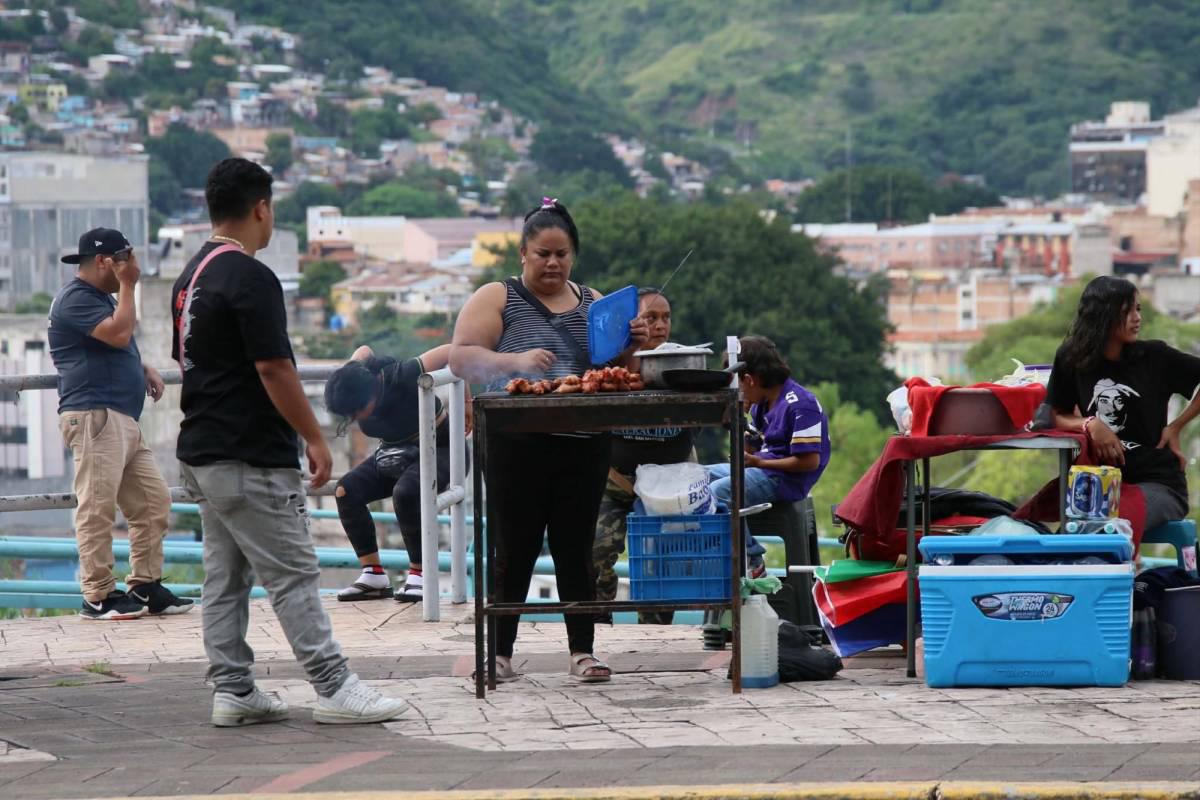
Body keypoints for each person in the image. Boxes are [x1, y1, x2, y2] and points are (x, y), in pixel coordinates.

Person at [173, 157, 406, 727]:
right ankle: (333, 686)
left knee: (224, 577)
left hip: (201, 450)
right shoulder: (251, 276)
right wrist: (315, 437)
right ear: (261, 208)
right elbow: (275, 369)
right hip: (248, 453)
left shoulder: (190, 277)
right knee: (295, 572)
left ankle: (233, 689)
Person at [450, 197, 647, 684]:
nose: (553, 263)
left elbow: (615, 372)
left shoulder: (594, 301)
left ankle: (582, 650)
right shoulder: (498, 297)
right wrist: (512, 363)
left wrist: (633, 344)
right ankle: (499, 653)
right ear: (523, 253)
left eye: (562, 254)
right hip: (515, 442)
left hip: (583, 440)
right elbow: (460, 358)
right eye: (543, 254)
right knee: (513, 546)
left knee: (575, 546)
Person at [48, 228, 193, 621]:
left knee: (153, 501)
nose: (133, 267)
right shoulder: (75, 298)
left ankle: (144, 584)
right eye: (125, 259)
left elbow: (116, 338)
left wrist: (141, 366)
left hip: (122, 418)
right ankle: (97, 594)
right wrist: (129, 286)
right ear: (103, 262)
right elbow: (117, 332)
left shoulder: (101, 298)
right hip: (95, 415)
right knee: (97, 507)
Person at [1048, 275, 1200, 535]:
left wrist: (1176, 426)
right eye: (1126, 311)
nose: (1136, 317)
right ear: (1102, 314)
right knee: (1067, 536)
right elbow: (1054, 414)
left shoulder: (1154, 357)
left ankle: (1131, 575)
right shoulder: (1073, 359)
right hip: (1098, 482)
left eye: (1138, 309)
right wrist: (1090, 424)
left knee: (1113, 527)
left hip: (1158, 483)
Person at [324, 343, 469, 602]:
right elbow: (364, 350)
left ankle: (420, 575)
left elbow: (454, 350)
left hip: (443, 448)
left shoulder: (401, 375)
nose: (355, 417)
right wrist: (351, 371)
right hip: (394, 453)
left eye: (357, 411)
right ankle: (373, 575)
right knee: (345, 490)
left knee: (407, 492)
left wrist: (467, 401)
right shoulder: (358, 385)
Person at [593, 287, 692, 625]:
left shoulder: (684, 368)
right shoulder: (608, 369)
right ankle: (594, 626)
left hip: (668, 489)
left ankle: (654, 631)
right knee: (594, 549)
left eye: (666, 318)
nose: (660, 325)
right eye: (651, 317)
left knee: (660, 561)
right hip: (614, 481)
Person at [705, 336, 831, 564]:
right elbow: (758, 443)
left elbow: (809, 461)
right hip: (763, 469)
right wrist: (742, 429)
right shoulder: (762, 405)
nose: (738, 392)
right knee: (698, 479)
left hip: (784, 479)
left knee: (718, 492)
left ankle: (752, 561)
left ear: (750, 380)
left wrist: (758, 462)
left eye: (737, 385)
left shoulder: (801, 405)